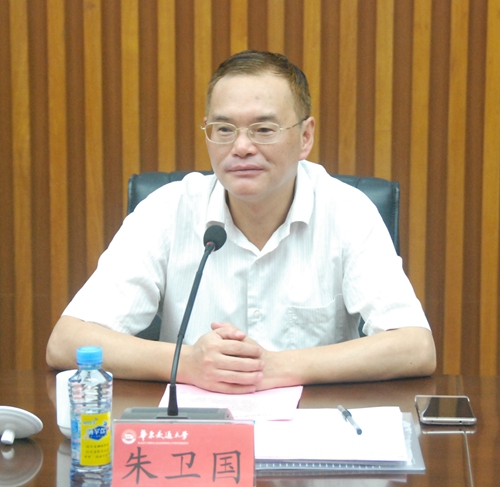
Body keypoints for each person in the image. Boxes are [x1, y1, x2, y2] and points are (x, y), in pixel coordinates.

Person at [46, 50, 436, 393]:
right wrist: (187, 363)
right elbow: (66, 342)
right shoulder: (166, 211)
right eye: (224, 129)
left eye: (263, 129)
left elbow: (415, 347)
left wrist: (275, 367)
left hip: (312, 430)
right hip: (199, 435)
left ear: (305, 137)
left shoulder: (347, 211)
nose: (242, 146)